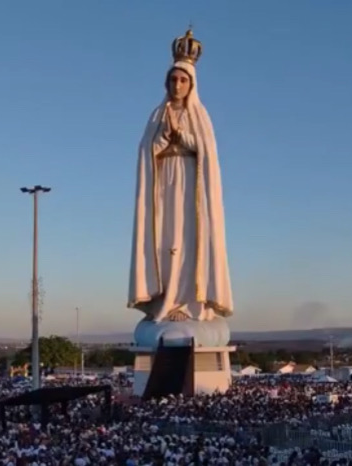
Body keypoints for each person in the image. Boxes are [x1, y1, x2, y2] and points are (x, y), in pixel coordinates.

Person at [128, 29, 234, 326]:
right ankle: (165, 298)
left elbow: (206, 150)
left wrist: (182, 136)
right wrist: (163, 137)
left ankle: (190, 302)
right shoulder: (157, 115)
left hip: (191, 184)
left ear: (192, 83)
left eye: (183, 80)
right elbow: (146, 149)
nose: (177, 85)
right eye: (173, 79)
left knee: (189, 240)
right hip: (163, 184)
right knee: (165, 238)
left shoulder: (200, 115)